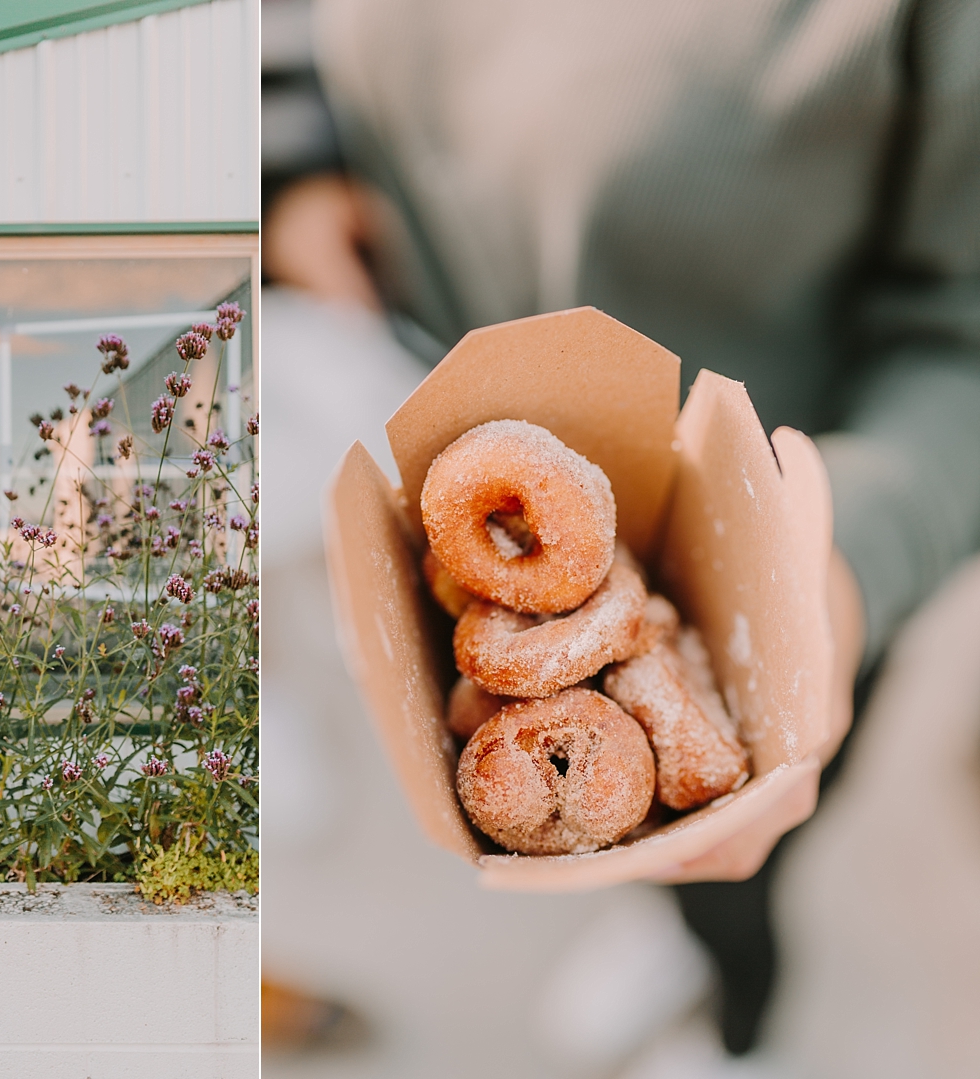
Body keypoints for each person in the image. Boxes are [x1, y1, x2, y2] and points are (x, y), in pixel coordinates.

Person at [263, 0, 980, 1055]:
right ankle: (655, 915)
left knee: (740, 842)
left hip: (777, 530)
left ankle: (726, 984)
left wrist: (841, 564)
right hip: (417, 373)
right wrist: (295, 154)